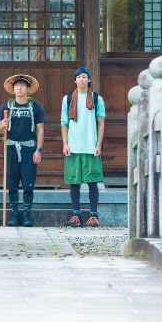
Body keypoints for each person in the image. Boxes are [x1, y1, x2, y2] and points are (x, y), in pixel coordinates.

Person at [0, 73, 46, 227]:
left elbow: (41, 130)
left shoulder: (35, 107)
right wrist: (2, 125)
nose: (19, 88)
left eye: (23, 85)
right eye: (17, 85)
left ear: (28, 89)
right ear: (13, 89)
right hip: (10, 147)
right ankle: (14, 214)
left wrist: (38, 149)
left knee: (28, 182)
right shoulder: (6, 107)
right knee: (11, 182)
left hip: (29, 148)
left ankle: (26, 215)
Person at [60, 65, 105, 228]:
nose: (81, 79)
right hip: (73, 146)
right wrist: (65, 143)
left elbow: (101, 123)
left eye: (84, 76)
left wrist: (99, 144)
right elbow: (64, 123)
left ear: (89, 79)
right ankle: (76, 214)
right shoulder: (67, 99)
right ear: (75, 80)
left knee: (92, 182)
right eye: (78, 77)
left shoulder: (96, 98)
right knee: (74, 182)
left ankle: (93, 215)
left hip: (91, 146)